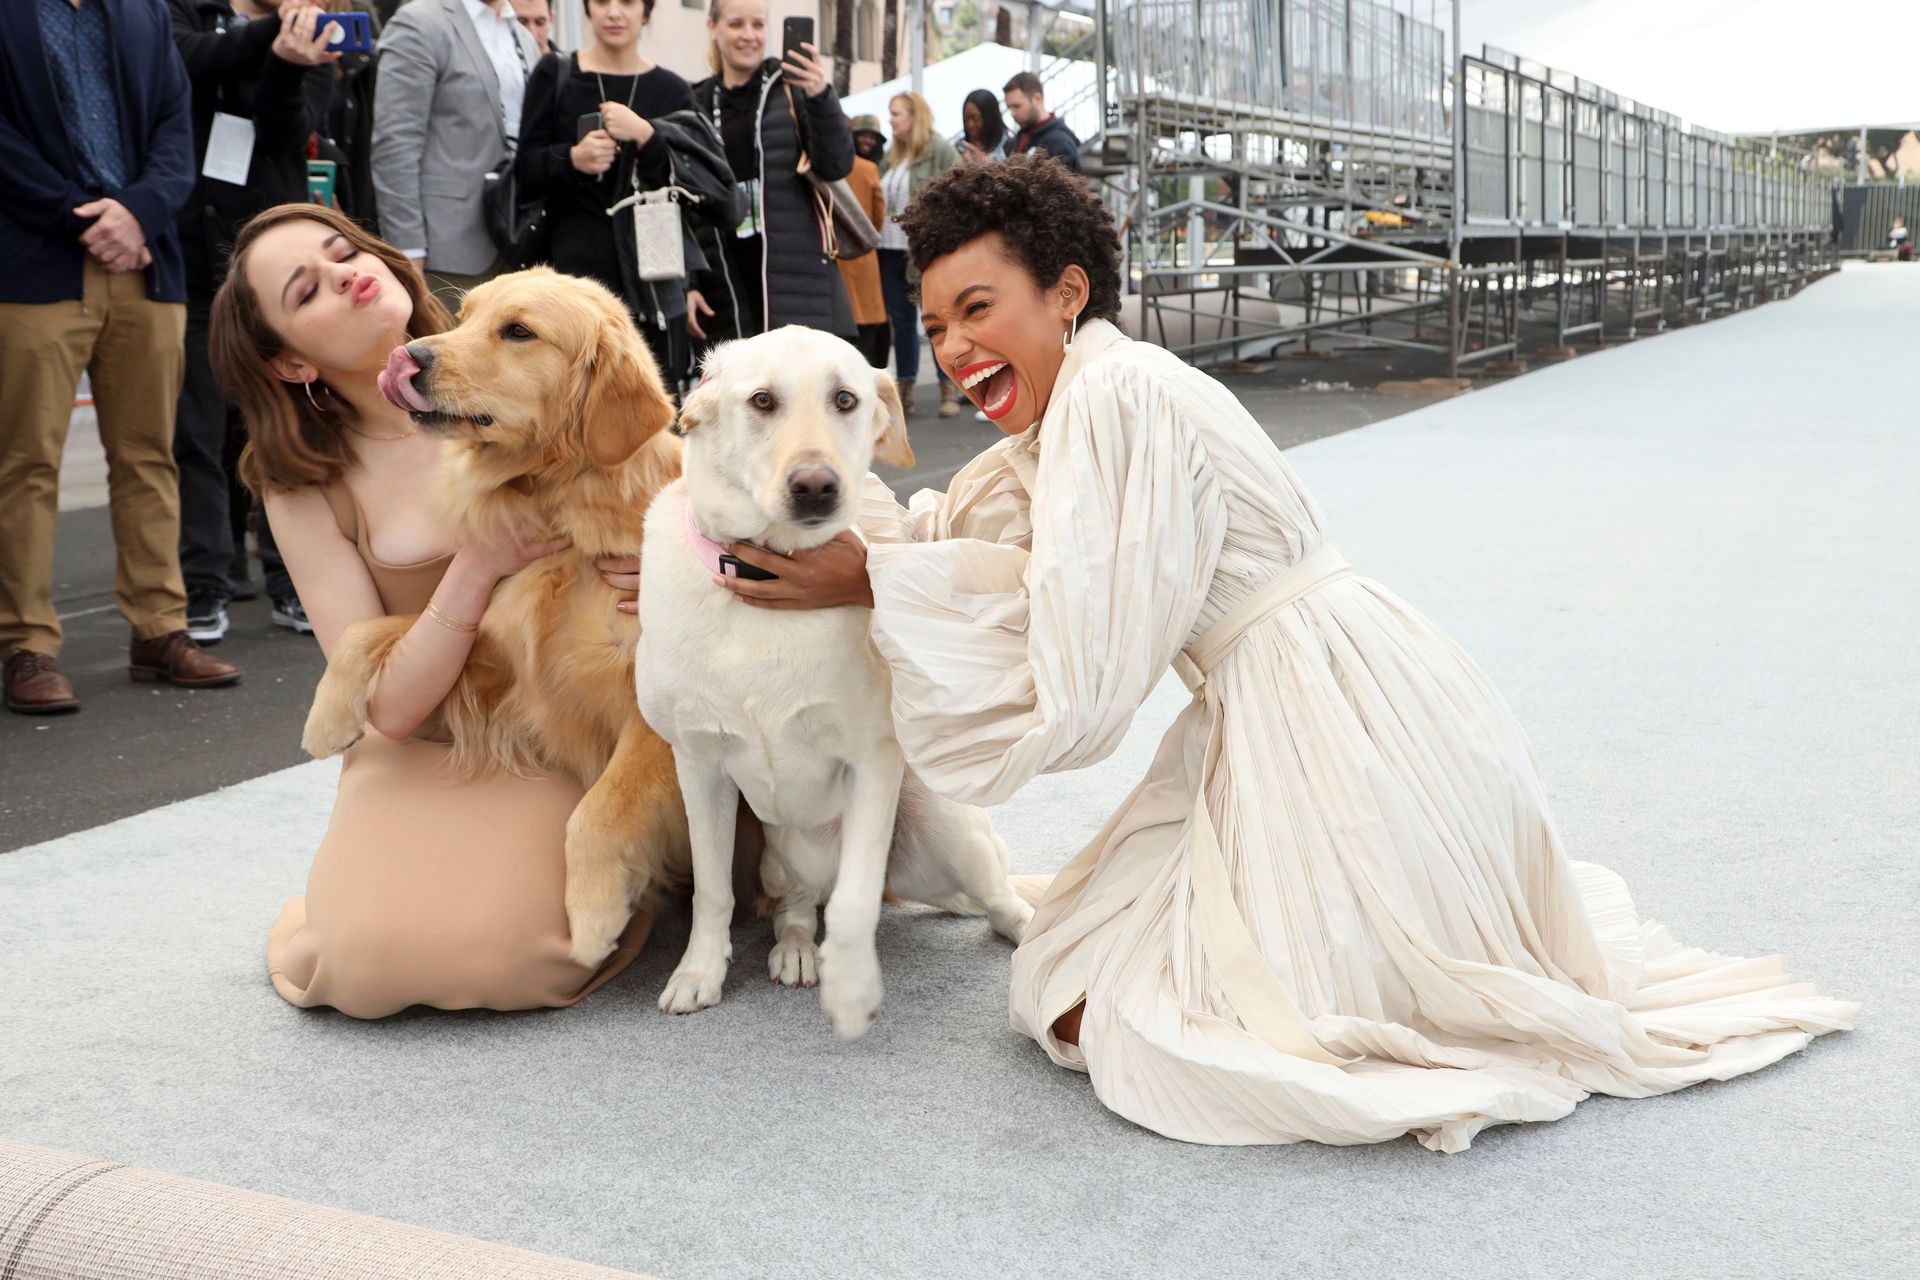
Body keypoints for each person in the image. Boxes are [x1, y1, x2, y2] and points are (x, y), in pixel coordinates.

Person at [705, 157, 1861, 1152]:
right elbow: (967, 536)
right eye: (937, 323)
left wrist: (874, 582)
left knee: (1115, 1009)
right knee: (1078, 962)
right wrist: (725, 532)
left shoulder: (1118, 398)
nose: (955, 347)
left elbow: (1087, 666)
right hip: (1336, 687)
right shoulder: (1077, 407)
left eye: (977, 309)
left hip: (1325, 717)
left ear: (1067, 293)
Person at [208, 203, 653, 1015]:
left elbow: (655, 473)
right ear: (291, 362)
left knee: (511, 958)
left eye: (345, 252)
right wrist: (477, 566)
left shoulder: (531, 360)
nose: (345, 275)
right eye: (307, 289)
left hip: (557, 732)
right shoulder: (299, 484)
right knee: (365, 961)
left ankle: (648, 872)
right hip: (417, 741)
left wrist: (667, 565)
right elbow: (390, 710)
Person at [0, 0, 240, 716]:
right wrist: (78, 214)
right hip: (32, 265)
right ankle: (24, 644)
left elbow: (176, 128)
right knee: (24, 462)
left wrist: (140, 211)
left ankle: (160, 629)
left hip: (144, 261)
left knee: (150, 456)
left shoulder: (144, 12)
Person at [168, 0, 337, 642]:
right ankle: (205, 587)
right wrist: (272, 36)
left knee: (282, 431)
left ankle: (292, 583)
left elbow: (288, 131)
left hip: (276, 274)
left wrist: (288, 64)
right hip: (189, 260)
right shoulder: (192, 13)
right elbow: (185, 60)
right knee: (197, 437)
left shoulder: (315, 36)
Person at [516, 0, 733, 387]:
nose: (614, 12)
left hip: (655, 281)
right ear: (587, 9)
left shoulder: (673, 90)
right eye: (602, 2)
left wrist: (649, 138)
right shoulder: (557, 73)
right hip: (571, 276)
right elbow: (526, 170)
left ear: (645, 12)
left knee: (651, 396)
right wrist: (572, 158)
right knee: (571, 396)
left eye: (628, 2)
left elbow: (695, 192)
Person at [686, 0, 856, 351]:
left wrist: (820, 96)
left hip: (796, 276)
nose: (748, 35)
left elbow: (836, 165)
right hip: (725, 282)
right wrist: (688, 281)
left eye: (758, 25)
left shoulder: (793, 87)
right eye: (736, 24)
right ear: (712, 27)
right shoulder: (695, 101)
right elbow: (686, 204)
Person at [371, 0, 540, 305]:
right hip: (444, 247)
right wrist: (407, 250)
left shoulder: (522, 35)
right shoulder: (419, 23)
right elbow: (395, 145)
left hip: (516, 243)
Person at [877, 91, 958, 416]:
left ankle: (949, 388)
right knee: (901, 323)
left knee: (936, 319)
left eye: (896, 113)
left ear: (914, 116)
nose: (891, 119)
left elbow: (958, 191)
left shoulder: (939, 150)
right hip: (887, 249)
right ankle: (905, 389)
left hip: (922, 252)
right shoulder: (892, 155)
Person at [837, 115, 890, 370]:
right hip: (865, 254)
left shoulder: (827, 167)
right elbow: (878, 216)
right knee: (869, 332)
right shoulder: (869, 169)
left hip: (836, 254)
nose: (867, 140)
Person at [1002, 71, 1079, 173]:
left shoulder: (1060, 142)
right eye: (1009, 108)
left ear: (1037, 99)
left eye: (1017, 106)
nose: (1013, 113)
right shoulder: (1021, 137)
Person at [958, 86, 1007, 165]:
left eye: (976, 119)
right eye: (966, 119)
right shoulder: (960, 148)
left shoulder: (1010, 145)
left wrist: (986, 164)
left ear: (990, 118)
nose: (970, 125)